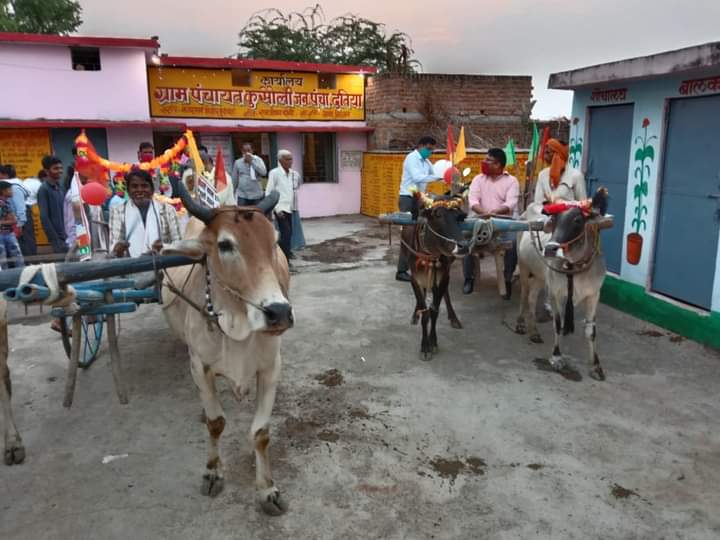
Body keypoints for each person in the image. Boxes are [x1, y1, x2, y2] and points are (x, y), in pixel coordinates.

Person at [462, 148, 519, 299]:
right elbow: (473, 200)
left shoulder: (511, 181)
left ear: (498, 164)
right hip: (479, 220)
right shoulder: (478, 179)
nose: (484, 163)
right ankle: (469, 278)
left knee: (514, 243)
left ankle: (507, 278)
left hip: (504, 222)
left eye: (488, 160)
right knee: (465, 240)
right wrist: (484, 213)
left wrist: (493, 214)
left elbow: (511, 203)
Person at [109, 169, 182, 258]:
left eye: (144, 186)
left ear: (152, 189)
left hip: (164, 266)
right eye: (135, 186)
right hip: (130, 268)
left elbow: (179, 244)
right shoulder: (118, 211)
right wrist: (118, 250)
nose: (140, 190)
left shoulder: (167, 210)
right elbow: (114, 245)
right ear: (128, 190)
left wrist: (164, 248)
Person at [395, 136, 438, 282]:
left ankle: (418, 265)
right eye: (428, 148)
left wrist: (446, 174)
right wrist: (438, 178)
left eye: (432, 149)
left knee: (420, 234)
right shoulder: (412, 158)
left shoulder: (426, 162)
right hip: (407, 198)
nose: (430, 152)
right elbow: (418, 177)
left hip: (419, 199)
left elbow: (434, 172)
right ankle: (401, 271)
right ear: (420, 146)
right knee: (408, 235)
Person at [265, 149, 299, 262]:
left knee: (288, 234)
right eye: (288, 159)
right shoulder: (274, 173)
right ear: (280, 160)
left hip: (290, 208)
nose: (290, 161)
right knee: (286, 233)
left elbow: (295, 187)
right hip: (280, 208)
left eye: (291, 159)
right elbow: (269, 192)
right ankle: (286, 260)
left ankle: (281, 252)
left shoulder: (293, 174)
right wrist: (276, 209)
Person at [534, 139, 587, 204]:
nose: (545, 152)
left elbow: (583, 204)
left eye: (549, 152)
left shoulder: (576, 176)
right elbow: (538, 202)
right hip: (544, 213)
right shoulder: (542, 175)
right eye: (545, 151)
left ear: (559, 155)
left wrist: (562, 204)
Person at [0, 165, 33, 259]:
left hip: (19, 222)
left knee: (23, 248)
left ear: (5, 175)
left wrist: (19, 225)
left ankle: (28, 269)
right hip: (14, 222)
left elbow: (20, 208)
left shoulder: (14, 187)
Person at [37, 155, 67, 254]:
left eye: (61, 168)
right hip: (57, 237)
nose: (60, 171)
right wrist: (54, 238)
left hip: (66, 234)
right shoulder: (44, 189)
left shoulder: (59, 187)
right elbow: (44, 217)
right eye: (55, 168)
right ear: (46, 171)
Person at [232, 142, 267, 206]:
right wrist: (233, 192)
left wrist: (252, 162)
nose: (246, 153)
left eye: (248, 150)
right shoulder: (237, 162)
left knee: (257, 214)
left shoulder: (258, 160)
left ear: (252, 151)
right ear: (242, 151)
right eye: (244, 151)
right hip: (242, 195)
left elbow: (263, 172)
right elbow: (235, 179)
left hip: (256, 194)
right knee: (242, 214)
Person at [0, 181, 24, 269]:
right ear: (3, 191)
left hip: (6, 233)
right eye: (9, 190)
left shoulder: (5, 203)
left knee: (2, 260)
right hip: (6, 234)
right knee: (17, 258)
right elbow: (13, 220)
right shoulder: (4, 204)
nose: (12, 192)